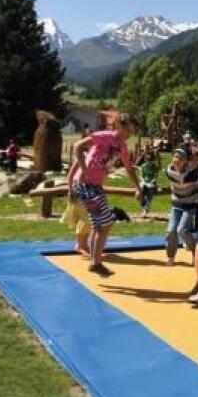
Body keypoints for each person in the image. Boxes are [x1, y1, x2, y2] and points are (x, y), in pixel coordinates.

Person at [71, 114, 141, 276]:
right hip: (86, 184)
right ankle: (95, 262)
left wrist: (137, 187)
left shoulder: (122, 147)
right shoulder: (105, 136)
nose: (130, 133)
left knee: (99, 225)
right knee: (106, 222)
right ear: (119, 126)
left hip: (95, 186)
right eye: (128, 129)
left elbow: (129, 168)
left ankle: (95, 262)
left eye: (132, 131)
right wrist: (84, 169)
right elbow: (78, 146)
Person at [164, 147, 198, 266]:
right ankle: (171, 256)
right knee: (171, 231)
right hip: (176, 204)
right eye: (175, 157)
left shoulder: (192, 174)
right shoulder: (168, 171)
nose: (177, 160)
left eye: (180, 158)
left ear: (185, 161)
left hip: (189, 205)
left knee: (182, 230)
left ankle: (196, 253)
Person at [62, 160, 92, 255]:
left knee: (89, 219)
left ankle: (84, 244)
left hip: (90, 191)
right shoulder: (82, 156)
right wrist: (70, 190)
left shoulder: (99, 158)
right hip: (78, 191)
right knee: (85, 218)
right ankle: (80, 244)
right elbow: (71, 174)